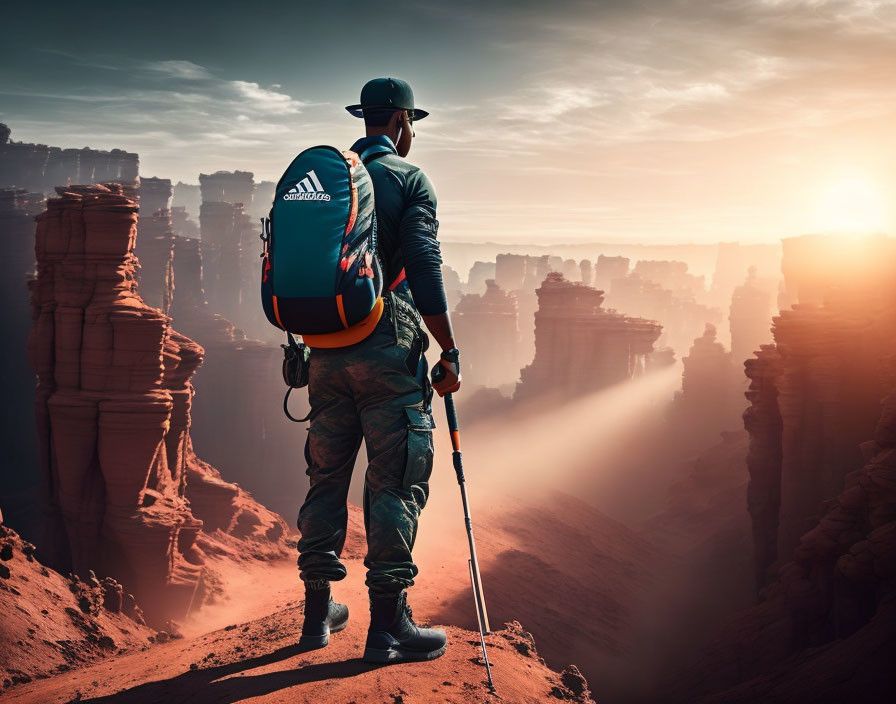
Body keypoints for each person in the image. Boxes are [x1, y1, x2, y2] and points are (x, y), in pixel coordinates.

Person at [296, 77, 461, 663]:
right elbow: (423, 261)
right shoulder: (408, 179)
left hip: (324, 349)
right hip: (386, 342)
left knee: (326, 480)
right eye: (410, 123)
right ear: (399, 123)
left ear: (365, 119)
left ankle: (318, 616)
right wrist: (447, 347)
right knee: (392, 480)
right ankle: (388, 626)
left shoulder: (332, 176)